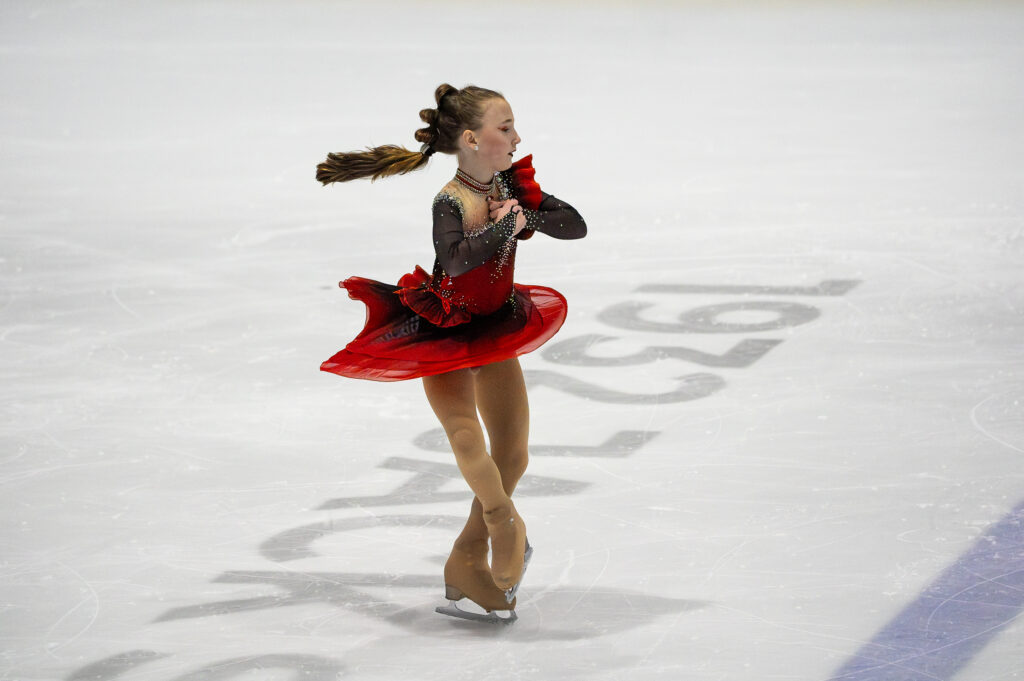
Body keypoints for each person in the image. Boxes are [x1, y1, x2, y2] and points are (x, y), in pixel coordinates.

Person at [316, 83, 586, 623]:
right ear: (472, 139)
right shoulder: (450, 200)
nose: (516, 137)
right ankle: (502, 522)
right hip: (444, 327)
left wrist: (528, 217)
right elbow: (456, 258)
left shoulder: (509, 183)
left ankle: (466, 555)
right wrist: (506, 224)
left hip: (496, 325)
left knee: (513, 454)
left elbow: (574, 226)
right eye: (505, 128)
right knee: (466, 435)